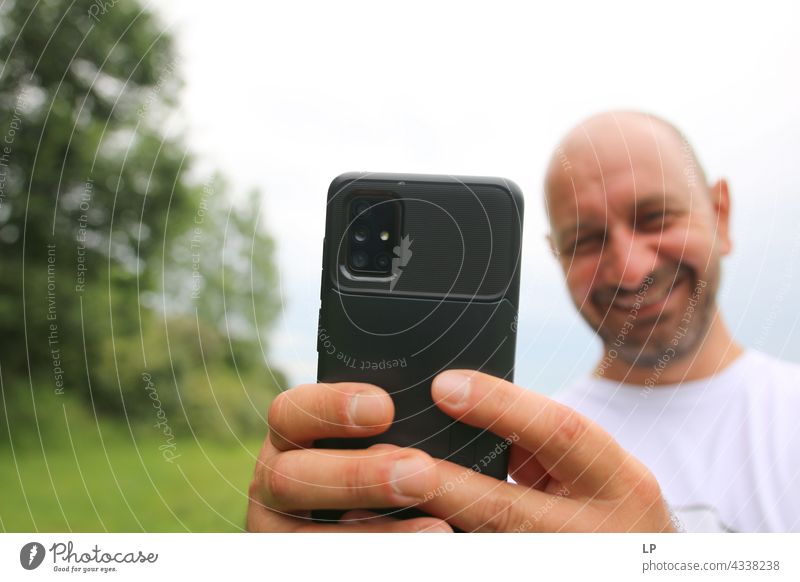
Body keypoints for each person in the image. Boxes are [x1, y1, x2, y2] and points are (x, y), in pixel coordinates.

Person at [246, 111, 799, 532]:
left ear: (720, 214)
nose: (630, 269)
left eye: (655, 218)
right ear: (554, 256)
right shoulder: (511, 467)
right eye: (585, 240)